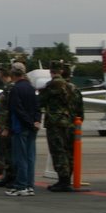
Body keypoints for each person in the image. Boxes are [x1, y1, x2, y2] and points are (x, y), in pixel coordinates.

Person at [38, 61, 75, 192]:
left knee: (58, 151)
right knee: (68, 151)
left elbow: (40, 101)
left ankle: (63, 181)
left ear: (51, 71)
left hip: (55, 122)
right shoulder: (71, 86)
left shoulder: (51, 85)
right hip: (69, 122)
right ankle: (67, 179)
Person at [6, 64, 41, 196]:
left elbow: (17, 109)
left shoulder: (16, 89)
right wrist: (36, 121)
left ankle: (21, 185)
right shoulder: (31, 88)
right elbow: (38, 106)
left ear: (13, 74)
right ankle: (29, 185)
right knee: (30, 157)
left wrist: (28, 123)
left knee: (20, 157)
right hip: (32, 127)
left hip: (20, 127)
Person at [0, 67, 15, 188]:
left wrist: (5, 127)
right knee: (5, 153)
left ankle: (11, 177)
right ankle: (8, 176)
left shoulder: (9, 88)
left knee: (8, 152)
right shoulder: (9, 87)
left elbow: (7, 110)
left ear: (1, 74)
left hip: (7, 126)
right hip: (5, 125)